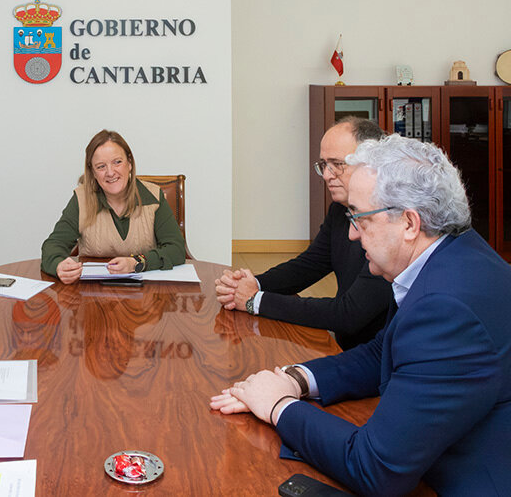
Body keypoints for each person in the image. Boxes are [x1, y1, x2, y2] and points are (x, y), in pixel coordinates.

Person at [210, 135, 511, 496]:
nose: (352, 234)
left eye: (360, 218)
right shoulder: (455, 252)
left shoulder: (446, 308)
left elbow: (375, 469)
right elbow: (383, 350)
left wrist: (277, 406)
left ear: (410, 223)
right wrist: (296, 380)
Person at [215, 117, 392, 349]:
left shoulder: (390, 222)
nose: (327, 175)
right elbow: (308, 266)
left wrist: (255, 300)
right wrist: (252, 284)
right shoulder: (339, 210)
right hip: (347, 351)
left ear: (372, 164)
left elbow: (348, 313)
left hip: (375, 362)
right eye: (324, 165)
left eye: (337, 164)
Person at [41, 129, 185, 283]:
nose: (110, 172)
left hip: (147, 296)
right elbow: (53, 245)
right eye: (101, 166)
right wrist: (58, 265)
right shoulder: (81, 199)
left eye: (117, 162)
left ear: (129, 163)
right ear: (93, 172)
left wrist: (136, 263)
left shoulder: (154, 196)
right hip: (92, 295)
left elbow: (176, 249)